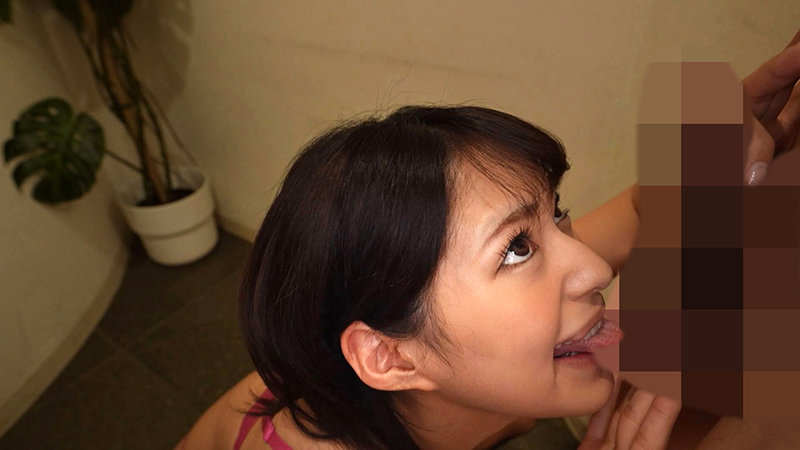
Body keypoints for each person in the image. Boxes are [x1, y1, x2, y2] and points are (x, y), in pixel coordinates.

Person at [177, 27, 800, 450]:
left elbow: (647, 208)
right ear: (391, 357)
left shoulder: (465, 366)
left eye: (557, 214)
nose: (594, 265)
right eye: (516, 248)